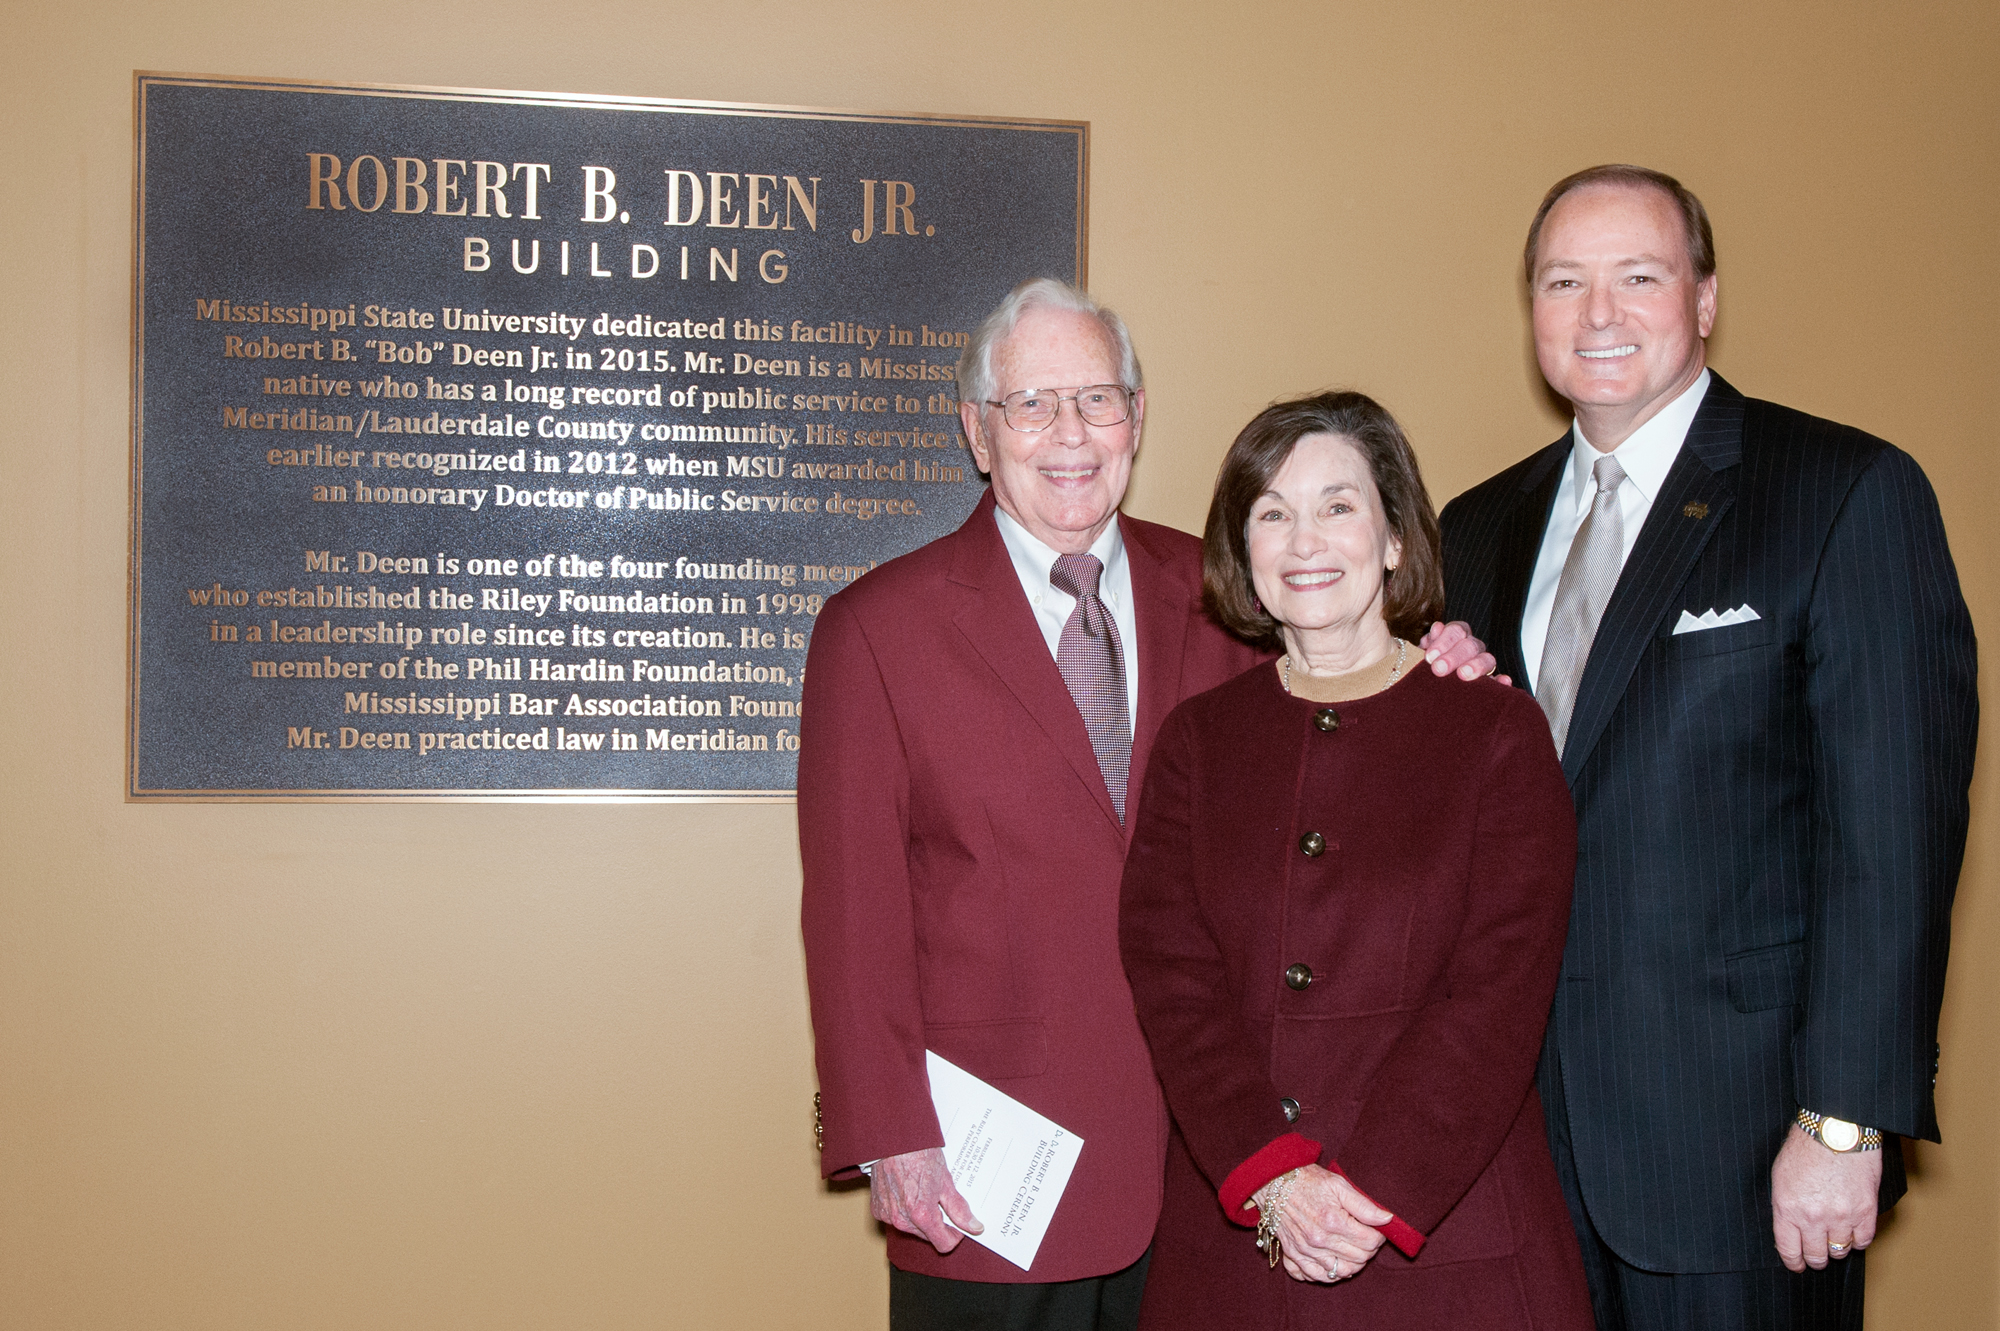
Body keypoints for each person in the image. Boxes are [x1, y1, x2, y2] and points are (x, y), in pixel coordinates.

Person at [798, 280, 1495, 1330]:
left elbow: (1348, 693)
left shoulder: (1233, 596)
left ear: (1137, 418)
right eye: (1030, 403)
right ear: (977, 434)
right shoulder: (874, 630)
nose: (1068, 433)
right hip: (990, 1179)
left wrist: (1437, 658)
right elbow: (851, 915)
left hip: (1221, 1162)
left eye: (1097, 399)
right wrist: (888, 1131)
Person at [1440, 165, 1978, 1330]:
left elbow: (1891, 834)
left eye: (1637, 276)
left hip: (1735, 1142)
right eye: (1562, 281)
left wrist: (1841, 1120)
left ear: (1703, 299)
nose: (1597, 313)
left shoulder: (1841, 492)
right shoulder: (1476, 527)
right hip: (1517, 1139)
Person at [1117, 391, 1594, 1330]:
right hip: (1241, 1251)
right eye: (1273, 513)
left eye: (1338, 505)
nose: (1306, 540)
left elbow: (1501, 986)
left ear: (1393, 540)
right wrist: (1273, 1175)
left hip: (1451, 1247)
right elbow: (1172, 975)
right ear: (1244, 555)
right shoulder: (1197, 741)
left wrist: (1373, 1191)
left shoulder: (1494, 727)